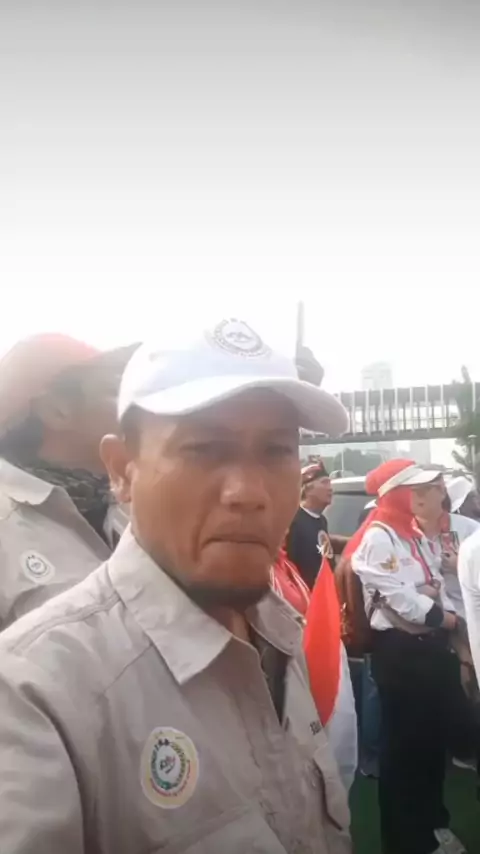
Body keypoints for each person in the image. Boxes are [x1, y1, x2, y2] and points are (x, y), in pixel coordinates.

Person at [0, 318, 352, 854]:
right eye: (204, 449)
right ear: (122, 470)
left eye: (277, 451)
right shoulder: (33, 699)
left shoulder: (277, 630)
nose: (248, 492)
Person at [350, 459, 475, 854]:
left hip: (431, 649)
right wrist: (446, 617)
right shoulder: (379, 537)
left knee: (430, 747)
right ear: (403, 496)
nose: (436, 495)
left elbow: (433, 583)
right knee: (405, 753)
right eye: (423, 490)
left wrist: (432, 602)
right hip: (401, 656)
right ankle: (407, 841)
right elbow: (403, 601)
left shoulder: (412, 535)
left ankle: (433, 823)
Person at [0, 333, 137, 630]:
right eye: (116, 391)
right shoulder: (6, 527)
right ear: (57, 411)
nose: (134, 410)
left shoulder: (124, 509)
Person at [411, 473, 479, 620]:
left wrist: (461, 567)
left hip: (468, 617)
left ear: (442, 491)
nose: (416, 497)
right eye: (410, 491)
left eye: (423, 490)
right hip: (424, 621)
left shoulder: (471, 530)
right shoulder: (399, 536)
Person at [286, 461, 335, 590]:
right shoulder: (294, 521)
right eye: (324, 483)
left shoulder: (322, 521)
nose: (330, 488)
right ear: (307, 489)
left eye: (329, 483)